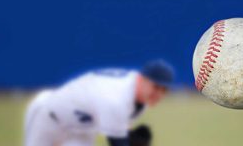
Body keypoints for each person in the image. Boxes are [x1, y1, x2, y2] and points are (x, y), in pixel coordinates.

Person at [24, 59, 174, 146]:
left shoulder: (140, 101)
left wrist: (128, 136)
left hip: (82, 133)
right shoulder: (117, 98)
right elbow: (117, 141)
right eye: (156, 86)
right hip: (48, 117)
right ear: (141, 79)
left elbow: (115, 124)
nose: (159, 94)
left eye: (164, 90)